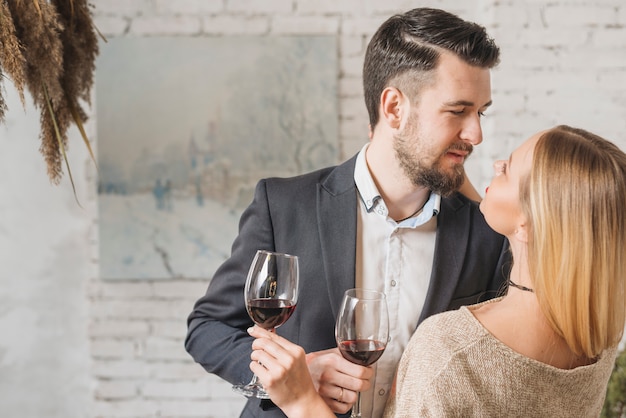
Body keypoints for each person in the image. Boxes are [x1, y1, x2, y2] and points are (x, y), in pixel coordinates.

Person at [185, 7, 510, 417]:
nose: (476, 134)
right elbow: (208, 328)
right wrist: (294, 374)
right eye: (458, 110)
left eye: (481, 112)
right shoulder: (284, 206)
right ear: (393, 107)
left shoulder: (489, 234)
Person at [247, 125, 626, 417]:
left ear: (529, 224)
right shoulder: (599, 332)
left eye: (508, 169)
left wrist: (300, 401)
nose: (494, 161)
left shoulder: (449, 350)